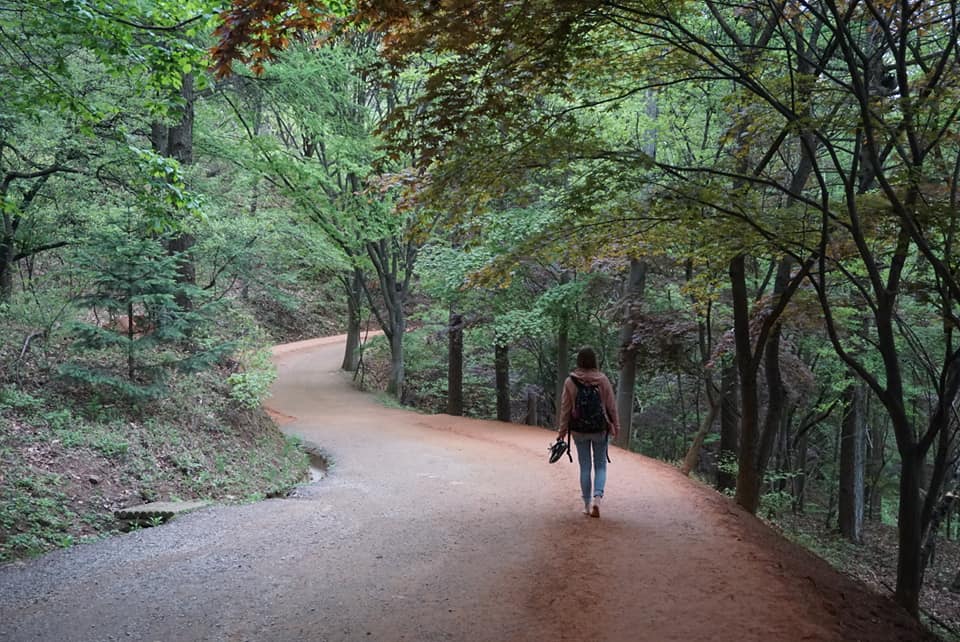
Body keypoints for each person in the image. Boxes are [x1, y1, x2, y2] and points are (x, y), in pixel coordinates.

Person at [557, 346, 620, 518]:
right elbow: (611, 406)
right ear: (594, 360)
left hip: (579, 430)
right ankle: (597, 500)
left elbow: (565, 409)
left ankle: (586, 505)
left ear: (578, 360)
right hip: (600, 428)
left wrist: (562, 431)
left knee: (585, 467)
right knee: (600, 465)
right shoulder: (602, 380)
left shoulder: (570, 381)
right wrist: (616, 426)